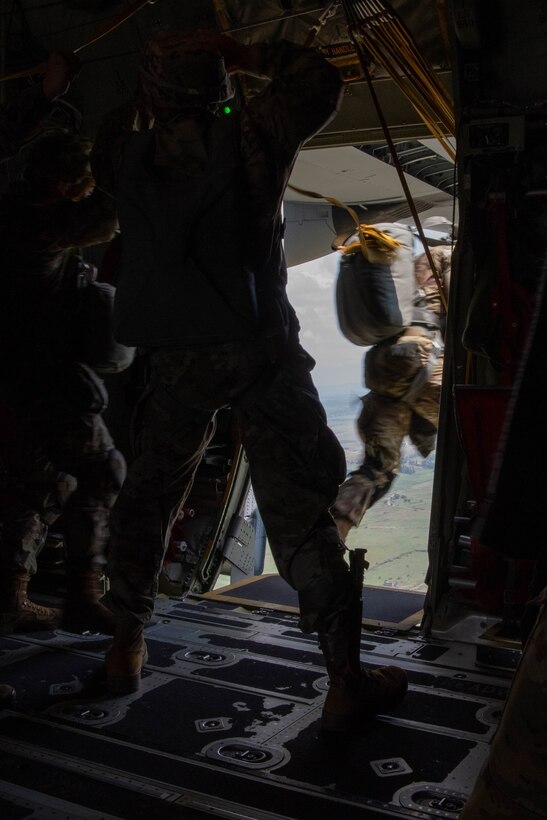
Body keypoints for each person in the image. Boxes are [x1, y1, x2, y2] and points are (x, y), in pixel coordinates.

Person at [90, 27, 408, 732]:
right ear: (222, 88)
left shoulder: (123, 153)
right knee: (298, 503)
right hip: (257, 350)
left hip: (172, 357)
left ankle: (124, 645)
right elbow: (318, 80)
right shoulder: (254, 135)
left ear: (152, 94)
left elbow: (117, 124)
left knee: (149, 494)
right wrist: (241, 52)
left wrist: (145, 100)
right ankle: (344, 679)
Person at [0, 127, 127, 637]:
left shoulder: (14, 211)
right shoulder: (37, 223)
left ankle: (12, 596)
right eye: (83, 181)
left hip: (19, 378)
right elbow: (107, 216)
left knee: (43, 483)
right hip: (42, 378)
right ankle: (83, 597)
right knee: (102, 470)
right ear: (64, 184)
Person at [0, 49, 79, 705]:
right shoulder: (50, 224)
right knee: (42, 482)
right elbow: (112, 207)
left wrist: (42, 99)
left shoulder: (16, 208)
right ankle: (16, 597)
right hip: (20, 380)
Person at [331, 219, 453, 541]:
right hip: (424, 361)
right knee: (480, 437)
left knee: (378, 467)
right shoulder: (448, 255)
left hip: (385, 365)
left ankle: (333, 530)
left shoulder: (405, 268)